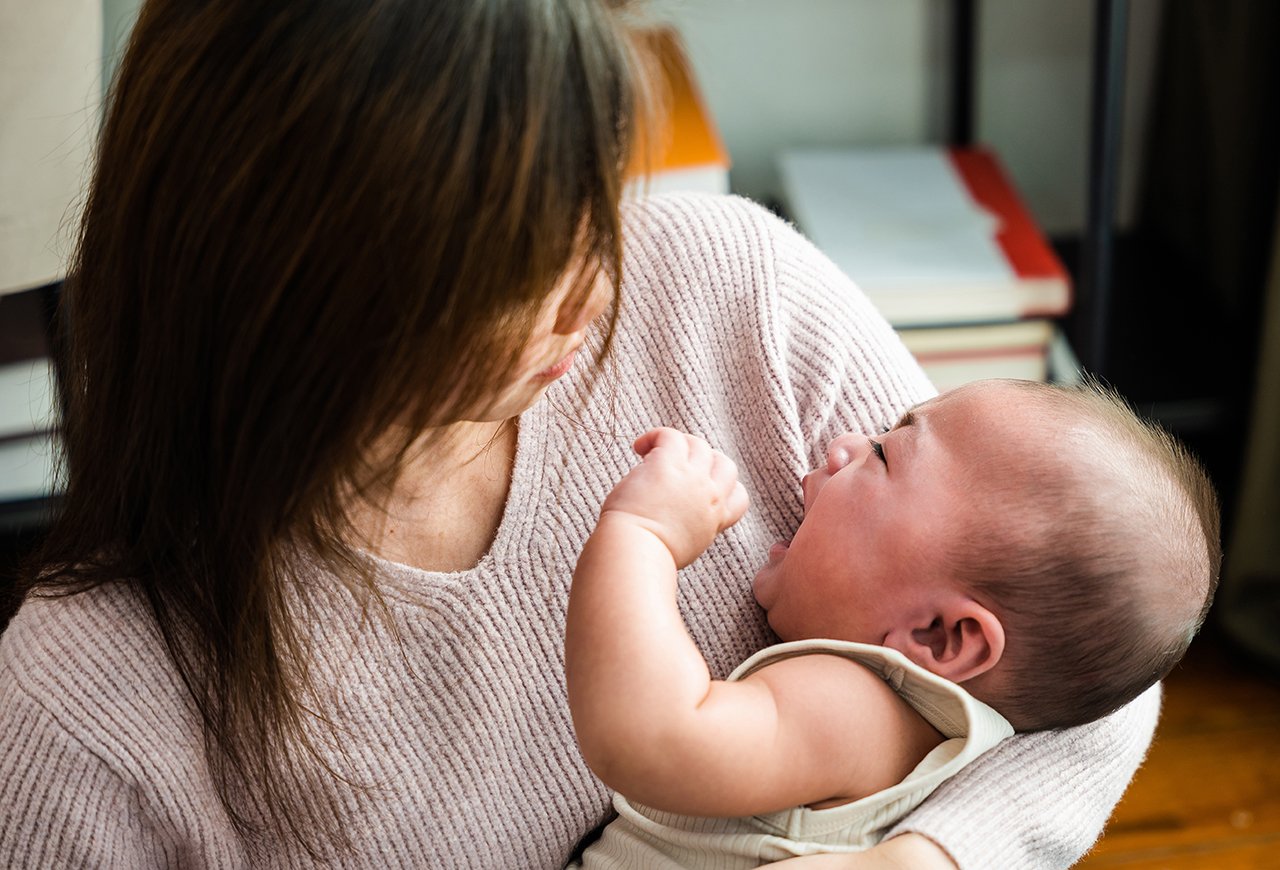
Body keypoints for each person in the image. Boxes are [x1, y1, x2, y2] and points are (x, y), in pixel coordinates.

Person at [0, 2, 1159, 867]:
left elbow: (1091, 656)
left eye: (599, 198)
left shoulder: (725, 289)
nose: (603, 287)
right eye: (538, 254)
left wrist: (927, 860)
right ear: (338, 293)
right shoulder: (90, 707)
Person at [566, 378, 1221, 867]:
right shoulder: (951, 736)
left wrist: (642, 535)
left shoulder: (856, 708)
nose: (843, 444)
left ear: (940, 636)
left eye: (883, 455)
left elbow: (651, 739)